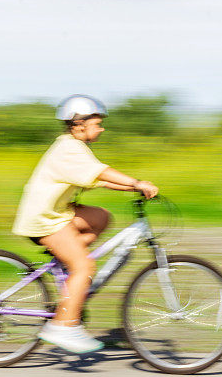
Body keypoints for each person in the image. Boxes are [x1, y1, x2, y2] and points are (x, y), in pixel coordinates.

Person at [12, 95, 159, 353]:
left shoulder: (74, 147)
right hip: (44, 218)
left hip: (58, 213)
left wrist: (132, 188)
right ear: (79, 123)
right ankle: (62, 326)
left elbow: (98, 179)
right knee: (85, 265)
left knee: (101, 217)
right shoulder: (68, 149)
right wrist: (137, 183)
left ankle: (68, 269)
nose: (101, 128)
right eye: (97, 123)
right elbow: (102, 172)